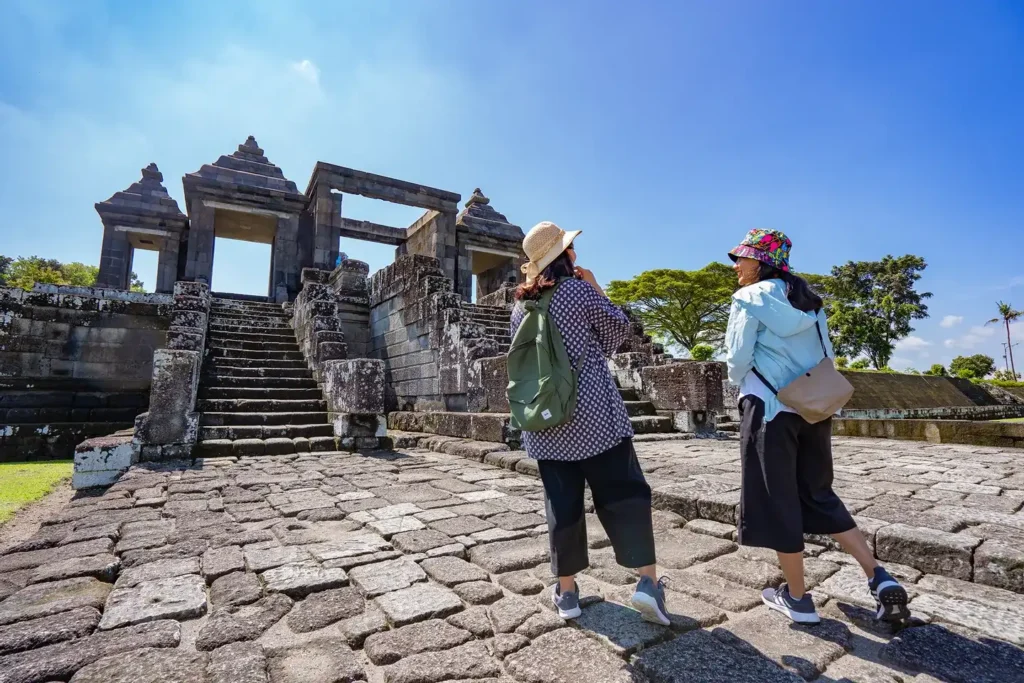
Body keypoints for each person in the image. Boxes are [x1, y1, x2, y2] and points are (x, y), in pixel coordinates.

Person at [724, 228, 910, 625]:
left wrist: (740, 384)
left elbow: (737, 359)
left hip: (770, 409)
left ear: (758, 262)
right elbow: (827, 354)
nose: (736, 266)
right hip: (813, 408)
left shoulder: (748, 299)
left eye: (740, 258)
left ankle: (797, 598)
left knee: (779, 500)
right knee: (818, 493)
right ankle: (877, 575)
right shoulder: (810, 302)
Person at [510, 221, 670, 625]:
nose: (575, 254)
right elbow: (618, 333)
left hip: (546, 423)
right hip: (595, 415)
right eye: (570, 250)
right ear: (565, 257)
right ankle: (647, 583)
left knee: (561, 507)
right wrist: (597, 286)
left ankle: (567, 592)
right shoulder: (578, 291)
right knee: (625, 495)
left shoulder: (520, 308)